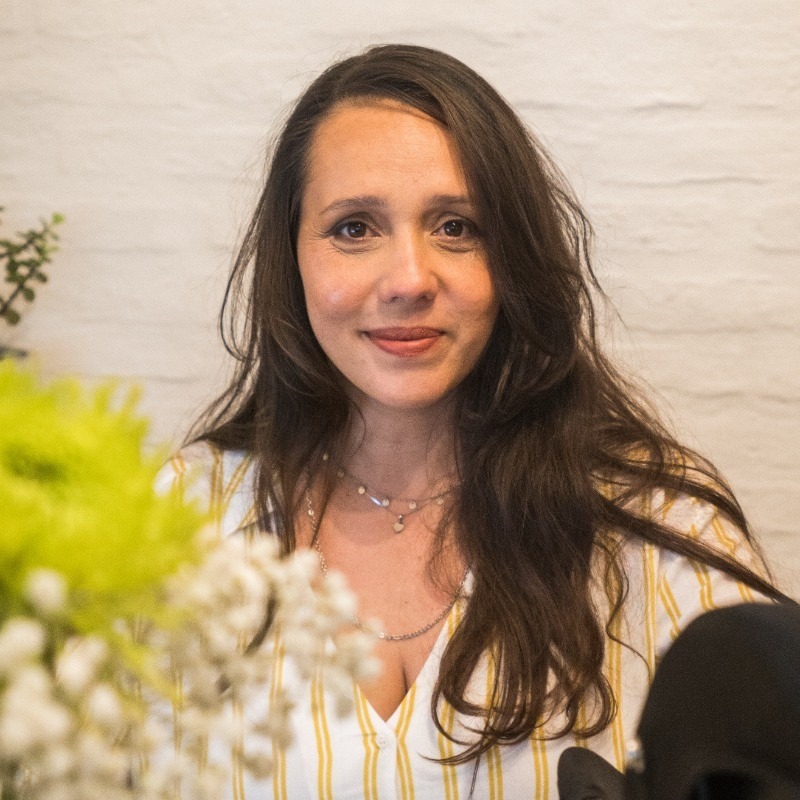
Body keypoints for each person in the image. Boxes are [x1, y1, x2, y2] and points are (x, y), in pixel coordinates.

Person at [161, 43, 787, 799]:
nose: (409, 280)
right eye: (354, 228)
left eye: (456, 226)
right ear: (290, 257)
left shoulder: (659, 525)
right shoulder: (173, 518)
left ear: (513, 256)